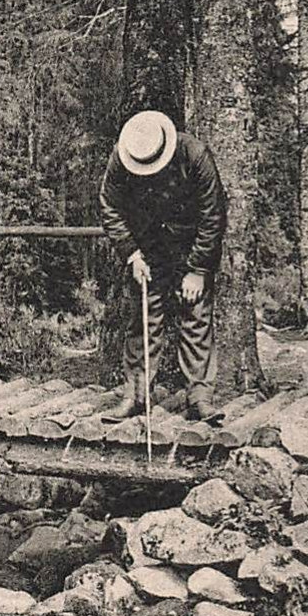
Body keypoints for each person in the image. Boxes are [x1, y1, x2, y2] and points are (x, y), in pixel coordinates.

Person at [99, 109, 229, 423]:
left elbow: (213, 216)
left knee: (195, 318)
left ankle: (199, 398)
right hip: (147, 249)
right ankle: (136, 396)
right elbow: (109, 207)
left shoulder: (195, 155)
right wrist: (131, 254)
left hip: (189, 247)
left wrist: (198, 269)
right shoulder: (122, 157)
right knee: (143, 320)